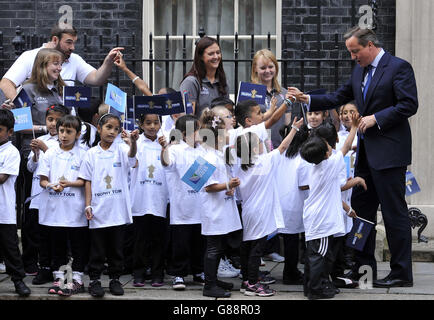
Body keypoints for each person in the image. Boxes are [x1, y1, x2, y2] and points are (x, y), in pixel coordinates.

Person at [290, 26, 418, 288]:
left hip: (390, 154)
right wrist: (309, 100)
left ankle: (401, 272)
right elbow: (339, 96)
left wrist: (376, 118)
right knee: (361, 213)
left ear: (370, 45)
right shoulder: (359, 70)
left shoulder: (398, 67)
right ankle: (362, 270)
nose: (352, 57)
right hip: (366, 156)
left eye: (355, 51)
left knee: (395, 214)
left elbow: (409, 104)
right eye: (350, 52)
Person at [233, 116, 304, 297]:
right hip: (261, 212)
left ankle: (246, 281)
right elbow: (283, 146)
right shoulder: (264, 161)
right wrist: (294, 129)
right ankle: (253, 283)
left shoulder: (240, 166)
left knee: (248, 246)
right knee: (257, 249)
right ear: (255, 148)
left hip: (248, 211)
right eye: (260, 143)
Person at [300, 112, 360, 300]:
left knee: (312, 256)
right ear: (326, 153)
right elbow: (347, 146)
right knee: (320, 257)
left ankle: (309, 288)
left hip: (312, 217)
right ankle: (316, 290)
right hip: (322, 220)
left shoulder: (315, 167)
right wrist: (355, 127)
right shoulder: (330, 164)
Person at [78, 113, 139, 297]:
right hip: (98, 209)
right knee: (97, 249)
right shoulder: (91, 154)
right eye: (108, 127)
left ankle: (115, 279)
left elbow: (132, 159)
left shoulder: (121, 149)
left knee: (116, 248)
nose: (112, 132)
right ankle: (95, 280)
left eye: (116, 129)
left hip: (117, 210)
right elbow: (87, 180)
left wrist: (133, 143)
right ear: (99, 128)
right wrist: (88, 205)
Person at [36, 115, 88, 296]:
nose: (64, 135)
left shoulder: (83, 153)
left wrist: (67, 184)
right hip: (54, 208)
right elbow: (43, 180)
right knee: (57, 244)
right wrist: (51, 185)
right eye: (61, 131)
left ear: (78, 134)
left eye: (69, 131)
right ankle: (59, 277)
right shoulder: (50, 153)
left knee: (77, 244)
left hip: (75, 208)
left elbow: (83, 181)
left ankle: (77, 279)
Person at [0, 24, 123, 100]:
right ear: (55, 39)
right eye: (69, 42)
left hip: (68, 126)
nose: (72, 47)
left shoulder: (74, 59)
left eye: (74, 42)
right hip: (40, 122)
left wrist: (108, 62)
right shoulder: (29, 56)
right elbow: (6, 83)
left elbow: (97, 79)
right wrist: (23, 108)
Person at [160, 114, 206, 291]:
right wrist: (164, 148)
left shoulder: (202, 150)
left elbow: (202, 177)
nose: (199, 132)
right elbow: (167, 164)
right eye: (196, 129)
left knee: (199, 242)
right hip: (181, 207)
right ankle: (178, 273)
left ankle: (199, 271)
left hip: (200, 206)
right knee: (181, 243)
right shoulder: (175, 150)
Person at [199, 110, 242, 298]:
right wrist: (227, 185)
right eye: (225, 133)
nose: (227, 136)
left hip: (221, 207)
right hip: (213, 210)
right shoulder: (208, 157)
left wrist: (228, 187)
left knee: (218, 246)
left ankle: (214, 279)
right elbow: (205, 186)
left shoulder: (216, 154)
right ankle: (209, 285)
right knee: (213, 248)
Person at [26, 104, 70, 281]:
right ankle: (43, 268)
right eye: (50, 120)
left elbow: (60, 163)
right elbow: (31, 168)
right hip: (38, 194)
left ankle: (58, 268)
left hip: (57, 196)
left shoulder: (66, 143)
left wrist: (45, 148)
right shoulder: (41, 138)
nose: (53, 124)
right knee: (40, 234)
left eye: (57, 120)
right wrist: (36, 154)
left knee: (57, 235)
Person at [129, 113, 168, 288]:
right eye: (148, 123)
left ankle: (157, 273)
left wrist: (164, 148)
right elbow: (132, 162)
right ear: (141, 124)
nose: (152, 126)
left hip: (160, 196)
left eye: (156, 122)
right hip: (141, 197)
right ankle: (139, 272)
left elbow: (169, 164)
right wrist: (134, 142)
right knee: (140, 239)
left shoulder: (165, 141)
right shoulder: (136, 143)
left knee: (159, 239)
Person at [0, 109, 32, 297]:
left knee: (10, 248)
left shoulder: (11, 152)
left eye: (1, 129)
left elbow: (2, 177)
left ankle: (18, 280)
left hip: (3, 211)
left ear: (10, 132)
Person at [276, 123, 310, 285]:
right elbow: (304, 184)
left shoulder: (281, 154)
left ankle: (290, 271)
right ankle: (291, 273)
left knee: (290, 239)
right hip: (296, 203)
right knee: (294, 241)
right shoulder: (303, 159)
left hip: (282, 201)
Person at [251, 49, 292, 149]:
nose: (267, 71)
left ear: (276, 67)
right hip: (257, 148)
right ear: (255, 69)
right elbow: (245, 123)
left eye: (270, 67)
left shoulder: (284, 93)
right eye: (263, 68)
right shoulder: (249, 92)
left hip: (279, 148)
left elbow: (287, 123)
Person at [180, 36, 229, 117]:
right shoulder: (191, 82)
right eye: (211, 54)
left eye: (218, 52)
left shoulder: (223, 82)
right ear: (200, 57)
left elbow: (227, 114)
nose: (216, 57)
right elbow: (188, 119)